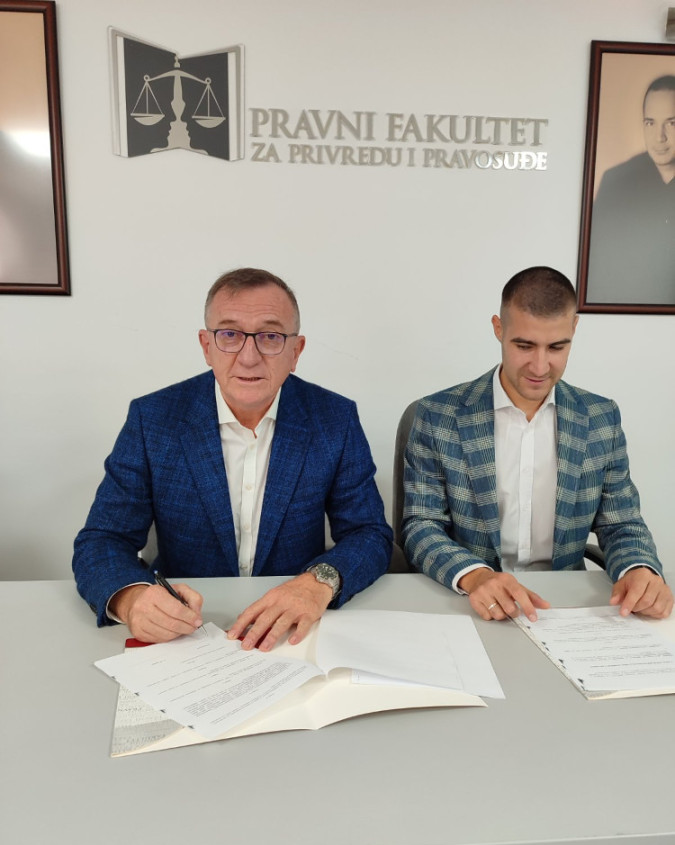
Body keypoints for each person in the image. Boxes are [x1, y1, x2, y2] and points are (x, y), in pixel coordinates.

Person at [73, 267, 392, 648]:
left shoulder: (335, 419)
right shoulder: (153, 419)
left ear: (296, 351)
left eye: (271, 337)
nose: (249, 357)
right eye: (229, 335)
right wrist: (130, 599)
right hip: (187, 630)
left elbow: (369, 533)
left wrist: (317, 583)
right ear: (206, 346)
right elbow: (103, 539)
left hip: (293, 629)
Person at [402, 265, 673, 623]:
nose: (540, 366)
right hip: (472, 601)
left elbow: (621, 523)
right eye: (524, 345)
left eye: (557, 347)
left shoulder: (600, 418)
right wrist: (476, 576)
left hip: (564, 608)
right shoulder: (438, 416)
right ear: (498, 328)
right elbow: (421, 525)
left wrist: (639, 569)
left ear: (574, 329)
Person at [586, 74, 675, 305]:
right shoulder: (615, 182)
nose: (660, 137)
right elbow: (598, 268)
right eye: (650, 123)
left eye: (671, 123)